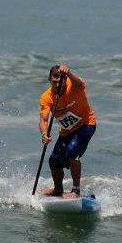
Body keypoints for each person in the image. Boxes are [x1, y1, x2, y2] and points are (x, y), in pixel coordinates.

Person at [39, 64, 97, 198]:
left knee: (72, 152)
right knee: (54, 161)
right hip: (67, 131)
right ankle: (58, 190)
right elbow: (44, 120)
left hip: (86, 124)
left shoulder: (74, 85)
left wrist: (69, 73)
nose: (57, 85)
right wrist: (44, 134)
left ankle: (76, 190)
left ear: (65, 80)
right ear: (49, 79)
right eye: (54, 82)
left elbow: (79, 83)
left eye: (60, 82)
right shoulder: (46, 97)